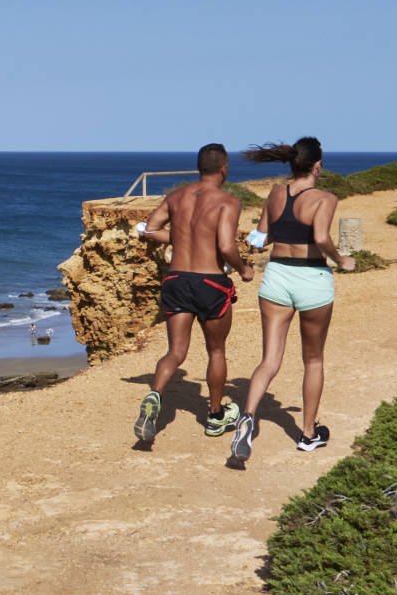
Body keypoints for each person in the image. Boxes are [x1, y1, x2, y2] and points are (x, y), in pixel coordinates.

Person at [228, 136, 355, 466]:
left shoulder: (275, 192)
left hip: (277, 277)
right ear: (317, 166)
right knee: (313, 359)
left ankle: (247, 418)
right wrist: (341, 261)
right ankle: (309, 434)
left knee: (269, 360)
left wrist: (256, 240)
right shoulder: (325, 198)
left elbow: (262, 237)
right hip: (311, 278)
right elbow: (321, 237)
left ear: (292, 164)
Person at [132, 143, 253, 447]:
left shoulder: (176, 197)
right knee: (216, 351)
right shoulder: (227, 201)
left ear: (199, 167)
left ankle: (154, 395)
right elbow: (226, 247)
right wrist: (244, 269)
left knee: (176, 351)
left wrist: (183, 235)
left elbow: (148, 230)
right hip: (211, 282)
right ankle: (214, 417)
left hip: (176, 279)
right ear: (224, 168)